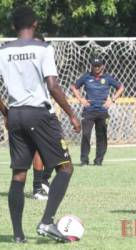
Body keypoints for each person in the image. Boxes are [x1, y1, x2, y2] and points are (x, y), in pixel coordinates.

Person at [0, 6, 81, 243]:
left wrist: (6, 113)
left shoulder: (3, 51)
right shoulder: (44, 48)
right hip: (39, 114)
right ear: (35, 24)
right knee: (65, 168)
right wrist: (71, 113)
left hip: (15, 115)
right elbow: (53, 85)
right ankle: (46, 222)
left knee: (18, 175)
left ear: (14, 26)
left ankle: (17, 235)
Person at [70, 57, 124, 166]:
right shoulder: (86, 77)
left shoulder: (107, 78)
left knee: (102, 136)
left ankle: (98, 160)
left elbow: (121, 87)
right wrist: (81, 99)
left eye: (99, 65)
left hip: (102, 111)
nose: (97, 67)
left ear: (103, 66)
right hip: (89, 111)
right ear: (91, 66)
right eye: (95, 65)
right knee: (85, 135)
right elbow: (74, 87)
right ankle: (84, 160)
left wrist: (112, 100)